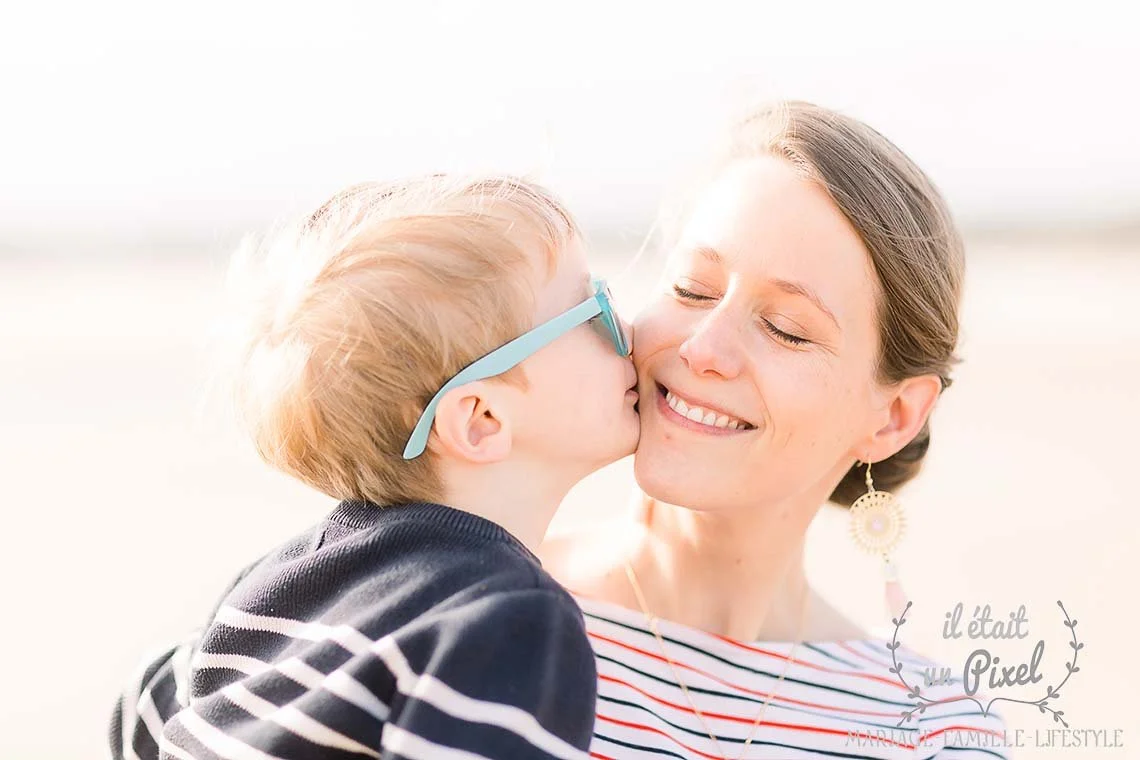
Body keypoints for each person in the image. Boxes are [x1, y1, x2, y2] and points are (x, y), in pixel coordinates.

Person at [110, 175, 640, 760]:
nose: (628, 331)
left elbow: (144, 709)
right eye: (593, 310)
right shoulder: (510, 624)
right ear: (481, 419)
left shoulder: (282, 576)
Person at [540, 102, 1011, 759]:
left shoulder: (932, 731)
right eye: (692, 290)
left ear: (895, 416)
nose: (704, 348)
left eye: (786, 328)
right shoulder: (459, 612)